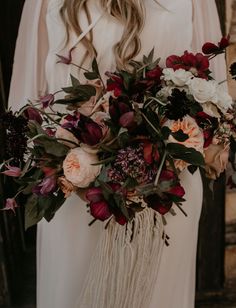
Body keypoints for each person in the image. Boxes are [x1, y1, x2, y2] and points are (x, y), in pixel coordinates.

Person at [9, 0, 226, 307]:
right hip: (75, 194)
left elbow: (216, 99)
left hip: (164, 194)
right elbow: (23, 112)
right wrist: (73, 163)